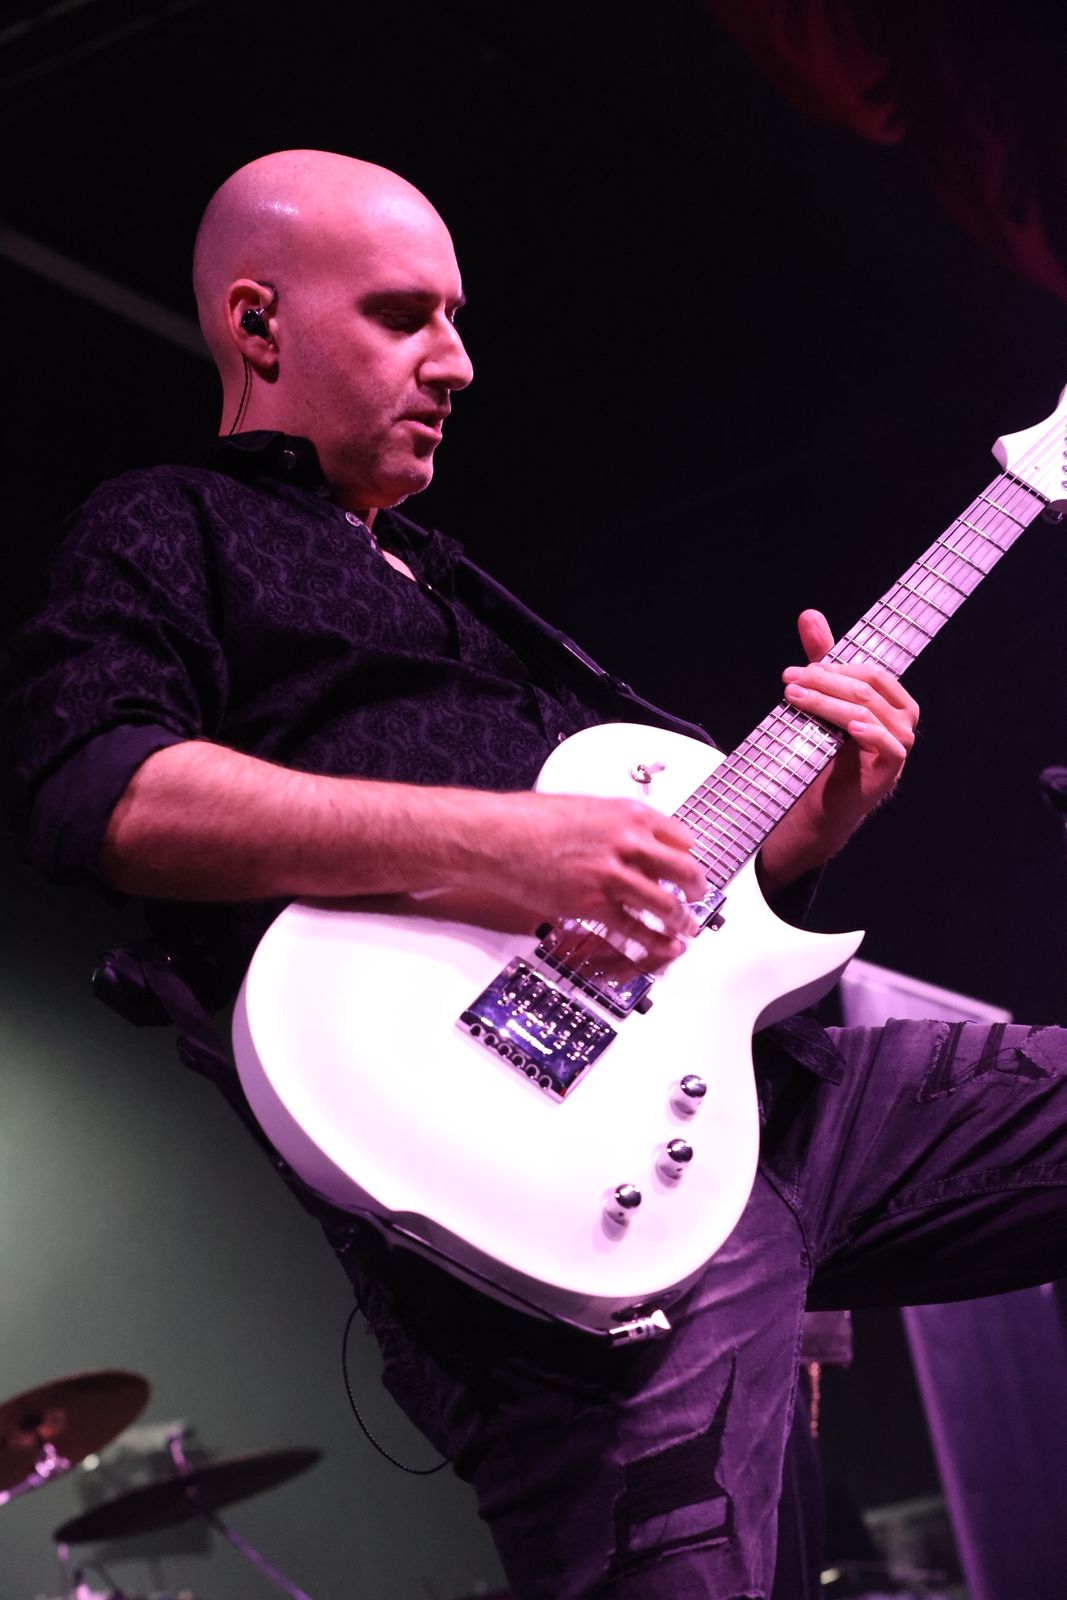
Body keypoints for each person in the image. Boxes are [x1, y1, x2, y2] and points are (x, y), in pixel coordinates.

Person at [6, 149, 1067, 1600]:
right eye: (404, 316)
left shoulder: (458, 583)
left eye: (455, 318)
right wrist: (501, 843)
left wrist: (804, 834)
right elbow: (97, 788)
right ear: (258, 324)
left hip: (769, 1107)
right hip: (535, 1203)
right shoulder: (166, 523)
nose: (457, 362)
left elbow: (672, 891)